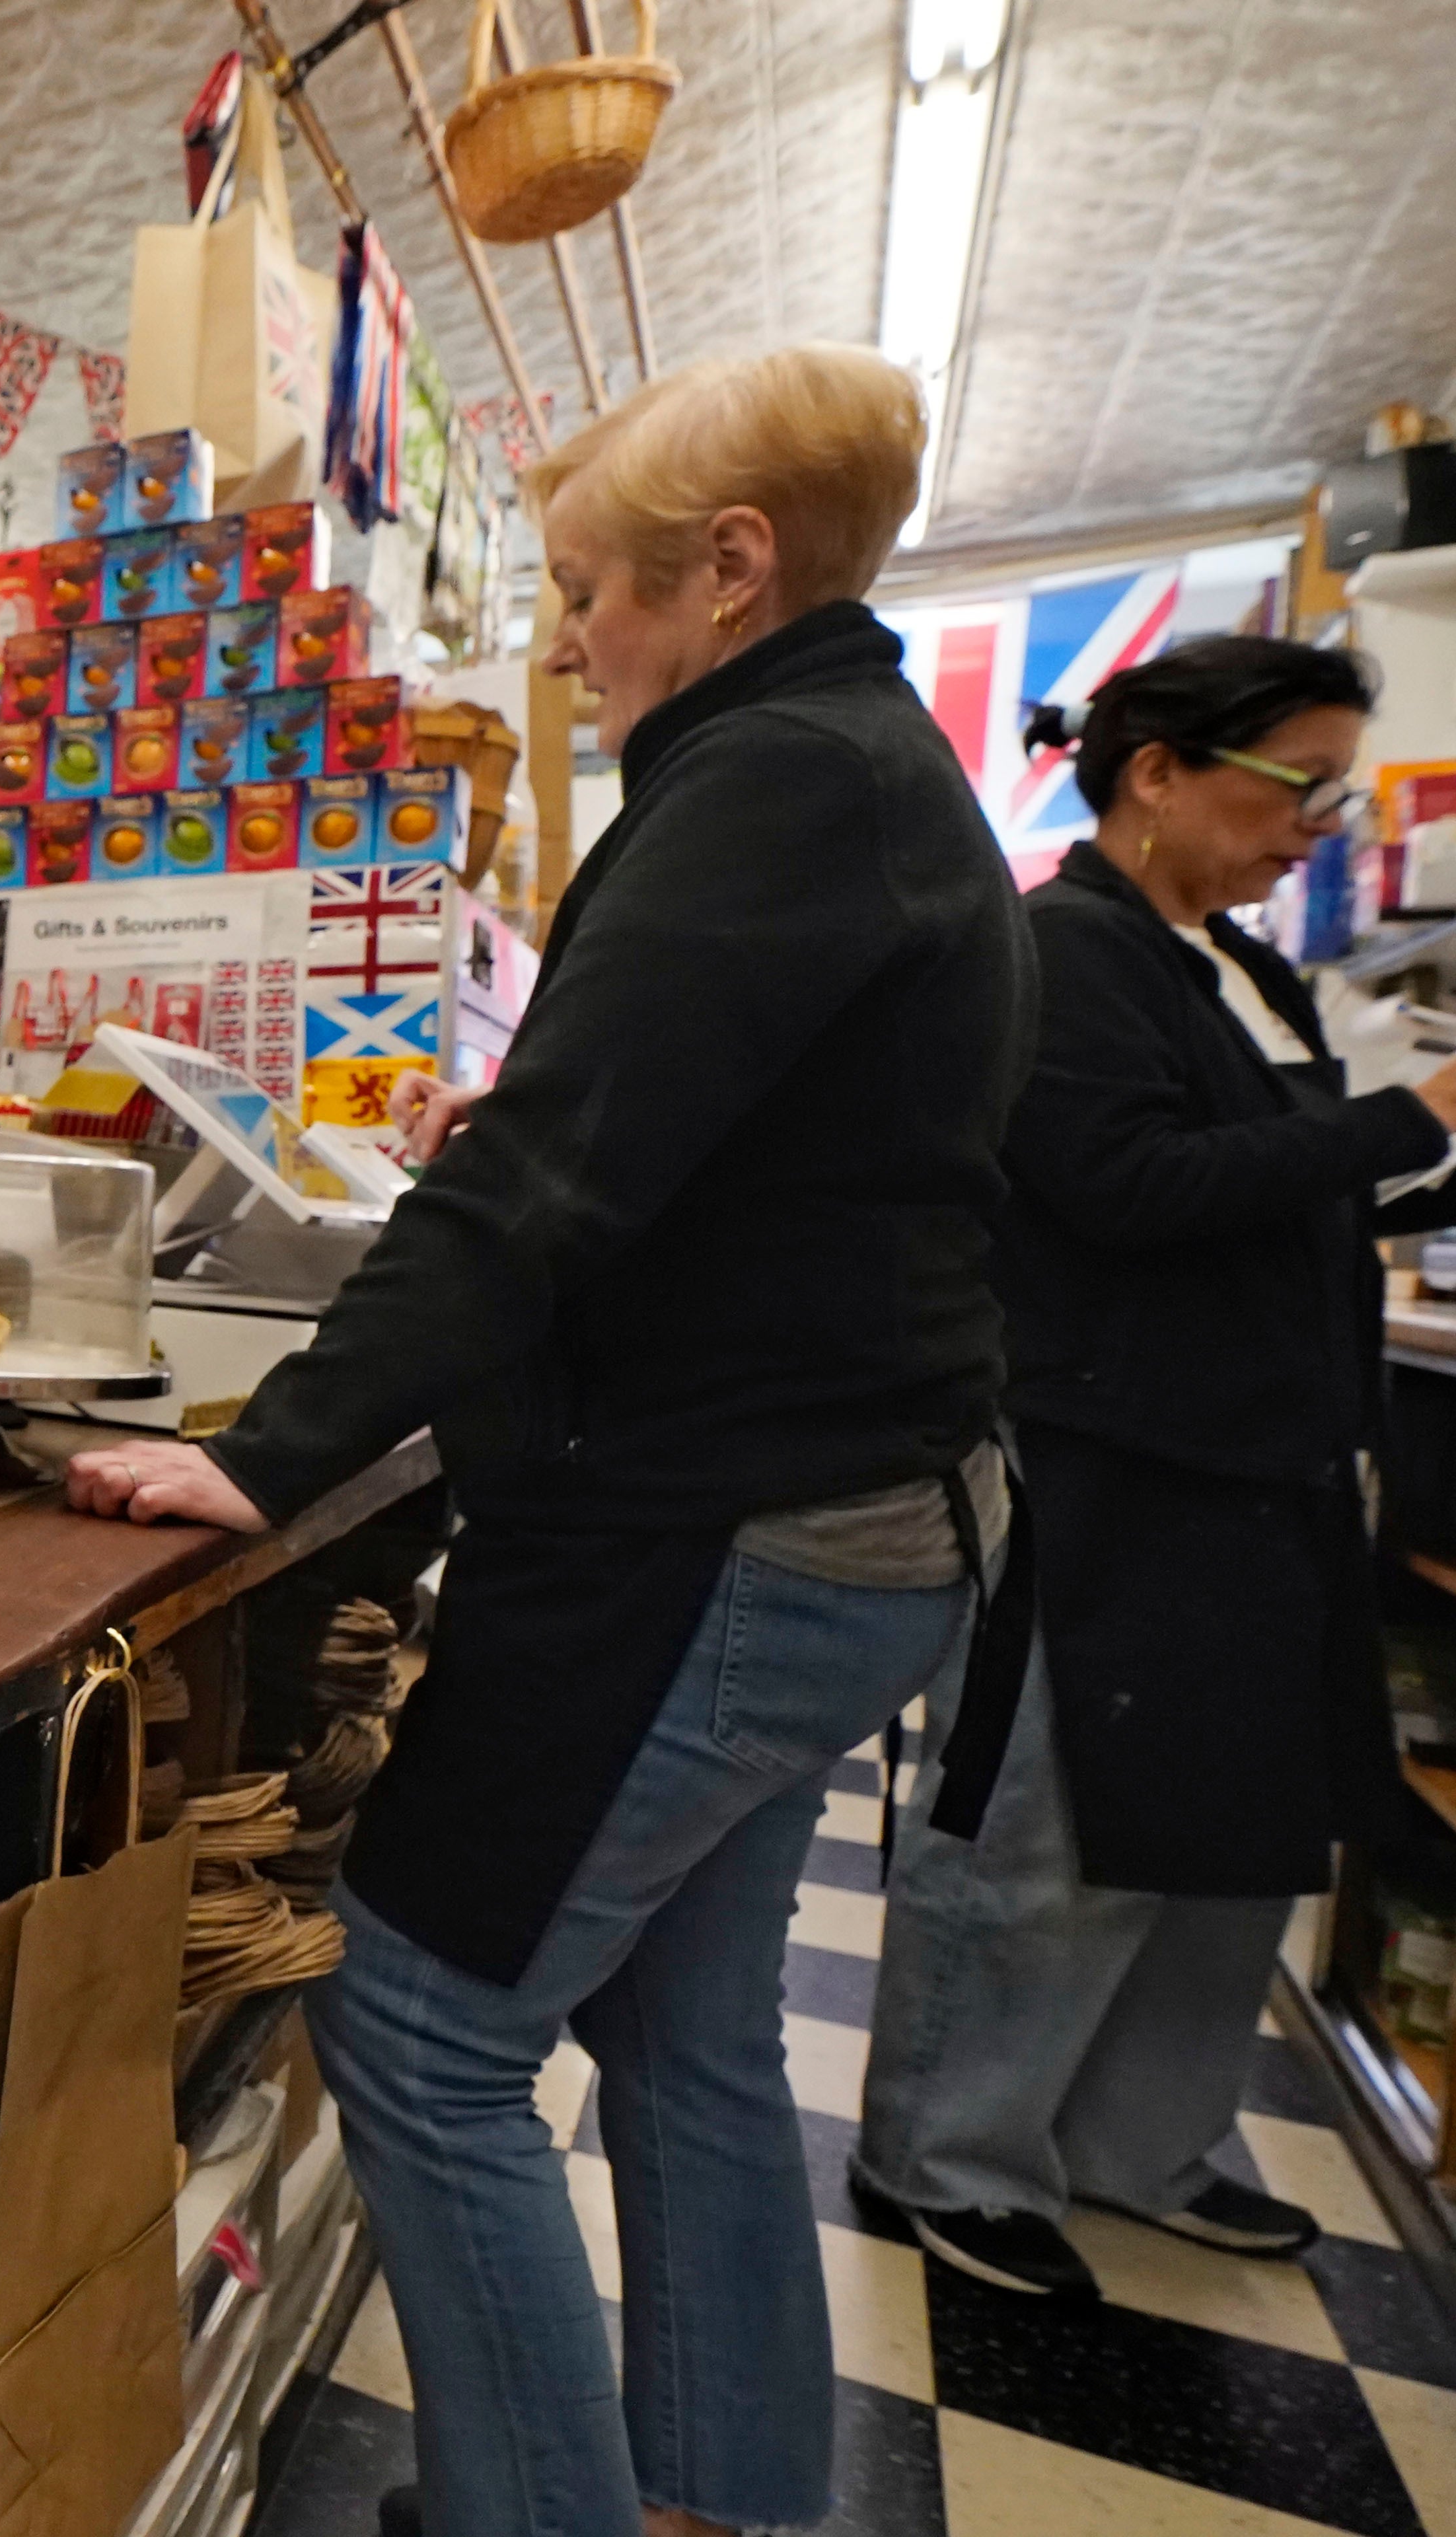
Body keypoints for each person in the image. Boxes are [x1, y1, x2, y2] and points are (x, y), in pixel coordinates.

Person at [61, 346, 1034, 2537]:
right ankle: (717, 2502)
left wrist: (272, 1452)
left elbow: (555, 1189)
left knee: (416, 2034)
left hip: (726, 1535)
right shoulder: (861, 767)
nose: (571, 638)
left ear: (731, 567)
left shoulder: (776, 778)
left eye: (594, 589)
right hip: (866, 1529)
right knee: (689, 2050)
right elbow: (752, 1141)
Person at [854, 640, 1456, 2300]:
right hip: (1107, 1465)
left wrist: (1386, 1176)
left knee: (1228, 1836)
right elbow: (1121, 1185)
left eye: (1334, 789)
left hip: (1258, 1471)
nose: (1315, 825)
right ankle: (945, 2154)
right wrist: (1408, 1120)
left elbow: (1268, 1186)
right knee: (1046, 1834)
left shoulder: (1228, 968)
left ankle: (1135, 2141)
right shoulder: (1062, 952)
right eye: (1294, 784)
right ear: (1155, 772)